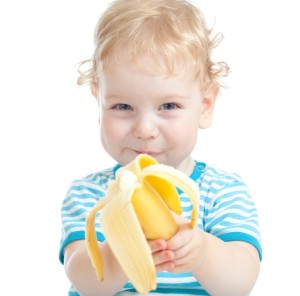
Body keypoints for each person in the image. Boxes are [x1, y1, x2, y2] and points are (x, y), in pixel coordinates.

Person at [59, 0, 262, 295]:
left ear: (205, 106)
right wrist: (123, 252)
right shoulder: (91, 195)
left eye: (168, 106)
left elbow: (240, 283)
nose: (144, 130)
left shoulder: (222, 191)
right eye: (122, 106)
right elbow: (85, 282)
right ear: (98, 101)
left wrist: (203, 252)